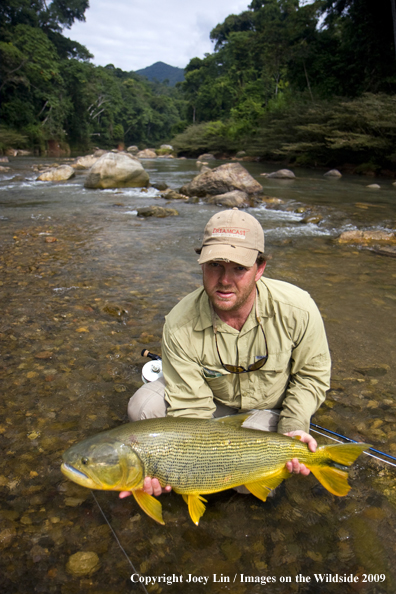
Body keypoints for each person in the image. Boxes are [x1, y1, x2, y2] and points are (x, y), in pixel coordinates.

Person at [121, 208, 331, 500]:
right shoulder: (179, 323)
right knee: (144, 407)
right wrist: (174, 468)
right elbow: (191, 410)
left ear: (260, 268)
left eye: (239, 269)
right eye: (215, 265)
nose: (224, 280)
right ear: (202, 265)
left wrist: (294, 427)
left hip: (267, 410)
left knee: (250, 486)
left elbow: (311, 377)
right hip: (211, 407)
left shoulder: (299, 309)